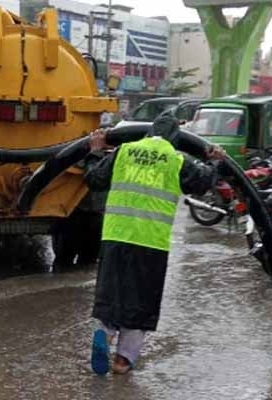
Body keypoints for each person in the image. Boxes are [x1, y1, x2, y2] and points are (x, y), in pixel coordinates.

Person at [85, 114, 225, 375]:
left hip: (116, 237)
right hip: (151, 242)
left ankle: (105, 332)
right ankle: (123, 360)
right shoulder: (177, 159)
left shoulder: (123, 152)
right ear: (175, 140)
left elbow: (94, 181)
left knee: (112, 293)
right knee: (141, 301)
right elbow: (203, 184)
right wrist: (215, 162)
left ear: (148, 133)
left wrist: (95, 151)